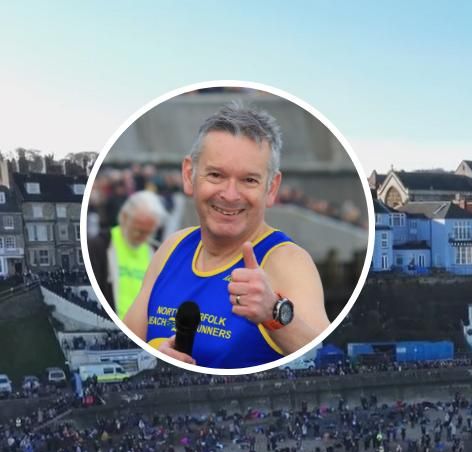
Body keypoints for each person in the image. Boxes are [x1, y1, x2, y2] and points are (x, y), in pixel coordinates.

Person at [121, 102, 331, 369]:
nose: (230, 195)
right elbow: (126, 344)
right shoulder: (174, 247)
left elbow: (323, 356)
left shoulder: (288, 261)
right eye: (216, 175)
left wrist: (274, 312)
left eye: (249, 180)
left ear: (271, 187)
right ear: (189, 175)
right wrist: (155, 353)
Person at [88, 190, 168, 317]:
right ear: (124, 217)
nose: (143, 237)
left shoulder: (157, 253)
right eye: (139, 231)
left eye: (149, 232)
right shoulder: (98, 247)